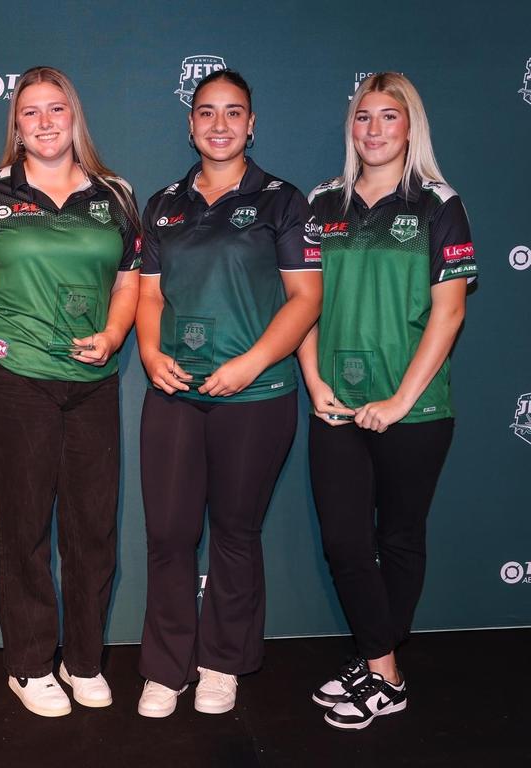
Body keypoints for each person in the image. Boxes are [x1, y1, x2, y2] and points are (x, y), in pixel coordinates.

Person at [135, 69, 322, 718]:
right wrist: (151, 351)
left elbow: (306, 299)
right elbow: (150, 295)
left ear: (251, 124)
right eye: (207, 112)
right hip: (175, 391)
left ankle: (222, 663)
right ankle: (165, 668)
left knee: (236, 533)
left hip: (258, 392)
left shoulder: (282, 201)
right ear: (190, 125)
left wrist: (251, 363)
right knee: (169, 533)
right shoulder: (162, 203)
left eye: (233, 112)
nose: (219, 124)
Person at [0, 66, 141, 718]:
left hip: (91, 383)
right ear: (16, 123)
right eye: (29, 112)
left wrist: (115, 333)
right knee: (24, 528)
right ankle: (30, 665)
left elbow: (129, 280)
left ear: (74, 116)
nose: (43, 122)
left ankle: (83, 659)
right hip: (15, 378)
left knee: (92, 530)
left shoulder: (114, 193)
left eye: (55, 109)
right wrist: (15, 304)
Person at [298, 72, 477, 730]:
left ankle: (378, 672)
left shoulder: (438, 201)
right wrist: (316, 383)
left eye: (387, 118)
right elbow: (304, 303)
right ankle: (385, 670)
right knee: (345, 542)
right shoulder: (322, 203)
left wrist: (402, 399)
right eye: (362, 117)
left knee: (398, 539)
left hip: (417, 409)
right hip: (336, 406)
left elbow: (449, 312)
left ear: (410, 127)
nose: (373, 130)